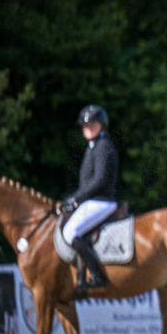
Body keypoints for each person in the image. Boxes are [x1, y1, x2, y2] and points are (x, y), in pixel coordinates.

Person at [61, 105, 119, 291]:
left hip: (102, 201)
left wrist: (75, 199)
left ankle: (97, 276)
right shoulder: (92, 148)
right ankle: (80, 278)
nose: (88, 128)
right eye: (85, 125)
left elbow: (99, 181)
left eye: (93, 124)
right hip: (92, 201)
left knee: (70, 232)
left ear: (102, 126)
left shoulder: (103, 147)